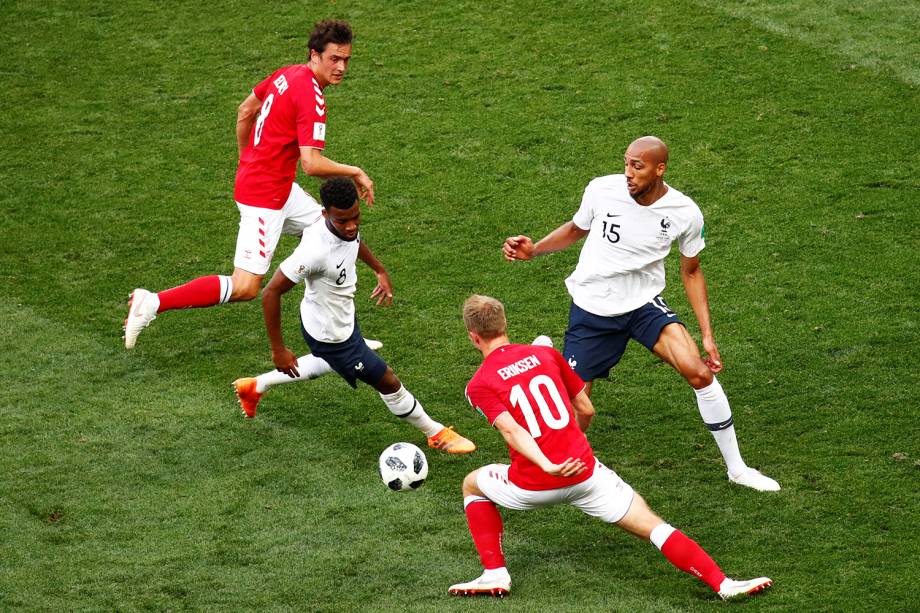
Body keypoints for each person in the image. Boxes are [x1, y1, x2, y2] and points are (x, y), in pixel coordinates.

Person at [502, 136, 779, 492]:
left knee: (698, 373)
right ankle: (547, 369)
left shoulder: (684, 213)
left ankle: (737, 469)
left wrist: (707, 334)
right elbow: (576, 229)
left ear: (660, 169)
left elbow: (691, 271)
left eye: (638, 166)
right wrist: (535, 249)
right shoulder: (602, 190)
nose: (628, 173)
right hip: (593, 309)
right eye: (626, 163)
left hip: (643, 306)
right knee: (574, 412)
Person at [450, 295, 772, 599]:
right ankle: (723, 583)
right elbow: (587, 410)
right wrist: (568, 446)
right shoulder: (547, 355)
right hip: (585, 474)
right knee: (653, 526)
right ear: (504, 324)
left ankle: (494, 572)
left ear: (473, 336)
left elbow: (511, 429)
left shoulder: (479, 384)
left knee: (472, 485)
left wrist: (548, 464)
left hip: (533, 484)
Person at [124, 19, 376, 349]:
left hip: (275, 186)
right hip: (264, 197)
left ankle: (344, 338)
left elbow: (245, 111)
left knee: (333, 235)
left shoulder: (287, 73)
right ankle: (152, 302)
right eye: (334, 59)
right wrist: (354, 171)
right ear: (315, 55)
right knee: (245, 287)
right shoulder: (312, 96)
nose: (341, 67)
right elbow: (311, 164)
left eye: (346, 60)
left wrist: (248, 159)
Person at [231, 178, 475, 454]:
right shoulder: (314, 251)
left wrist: (379, 269)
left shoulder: (345, 226)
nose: (351, 226)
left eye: (355, 218)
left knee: (332, 363)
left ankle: (255, 386)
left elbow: (354, 241)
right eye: (342, 221)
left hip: (341, 318)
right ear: (325, 215)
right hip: (330, 333)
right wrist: (278, 350)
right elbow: (271, 293)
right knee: (388, 381)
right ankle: (435, 433)